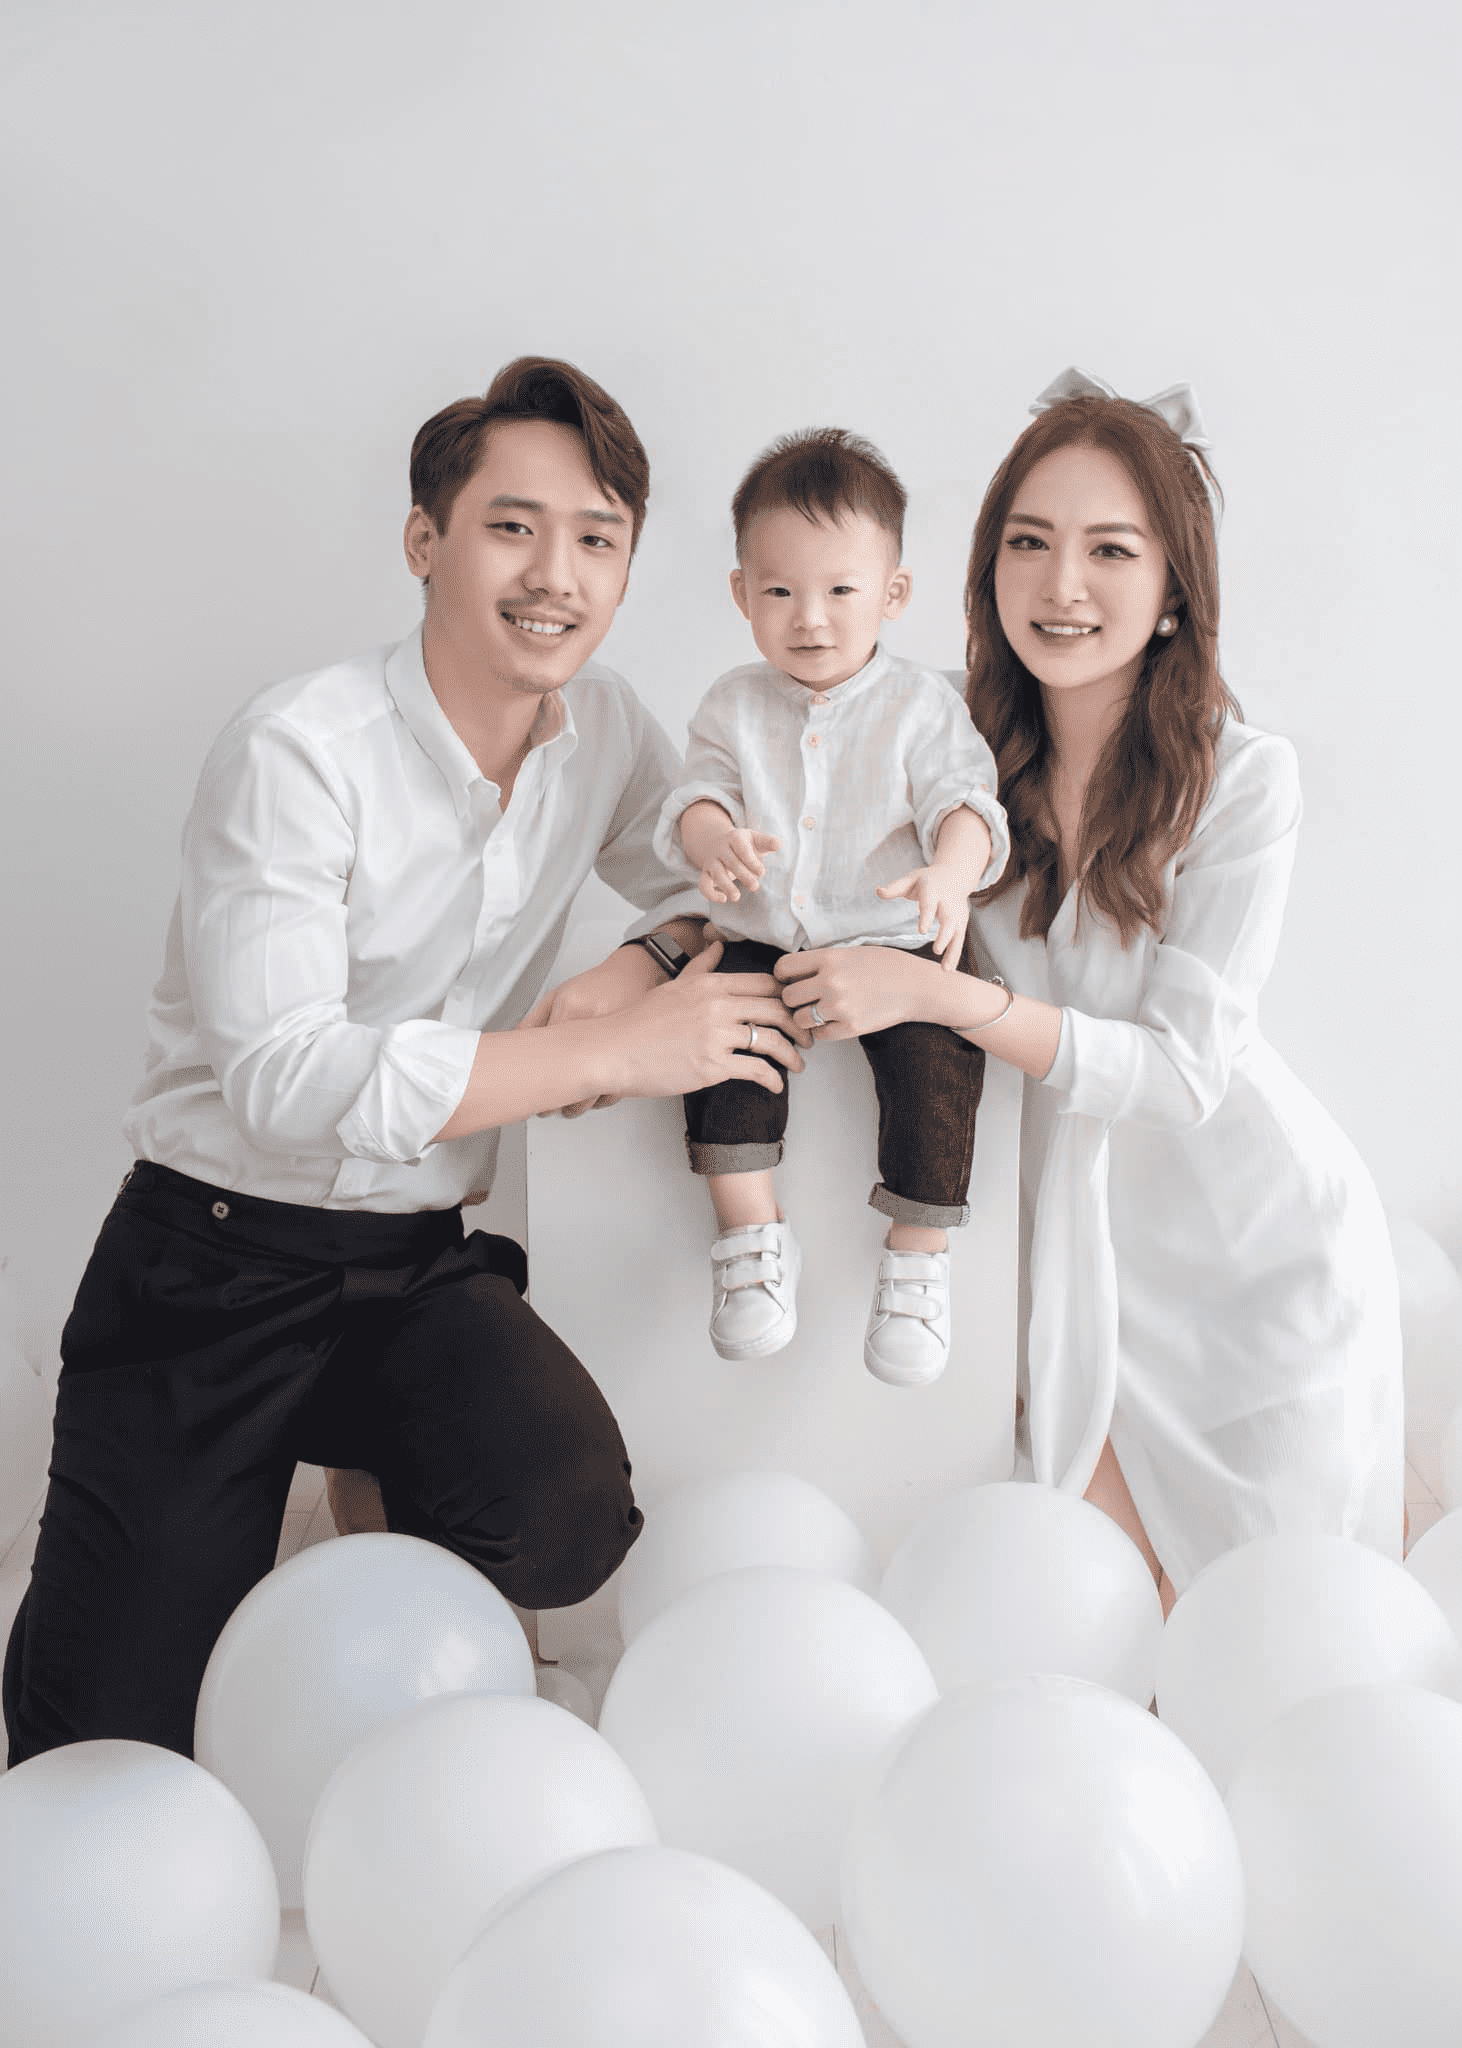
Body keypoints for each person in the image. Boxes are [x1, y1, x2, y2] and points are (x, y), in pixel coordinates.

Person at [3, 355, 808, 1766]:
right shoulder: (298, 750)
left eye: (597, 538)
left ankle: (364, 1470)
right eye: (513, 527)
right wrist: (602, 1051)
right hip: (211, 1260)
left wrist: (639, 962)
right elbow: (285, 1079)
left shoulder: (609, 733)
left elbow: (722, 884)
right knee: (103, 1742)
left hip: (407, 1265)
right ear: (425, 540)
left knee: (566, 1520)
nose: (555, 575)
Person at [774, 368, 1404, 1613]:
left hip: (1249, 1256)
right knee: (1082, 1614)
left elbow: (1179, 1070)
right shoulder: (938, 746)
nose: (1061, 585)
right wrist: (647, 959)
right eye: (1028, 543)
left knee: (1268, 1626)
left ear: (1174, 591)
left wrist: (948, 1002)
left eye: (1110, 550)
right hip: (1055, 1244)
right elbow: (782, 862)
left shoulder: (1241, 781)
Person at [654, 428, 1008, 1385]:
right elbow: (695, 794)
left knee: (939, 1059)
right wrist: (711, 840)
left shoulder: (922, 706)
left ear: (893, 593)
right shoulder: (732, 703)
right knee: (718, 1041)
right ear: (742, 594)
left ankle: (917, 1258)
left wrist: (949, 874)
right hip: (762, 941)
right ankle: (750, 1238)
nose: (810, 619)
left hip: (895, 943)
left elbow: (966, 802)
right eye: (780, 592)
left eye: (841, 591)